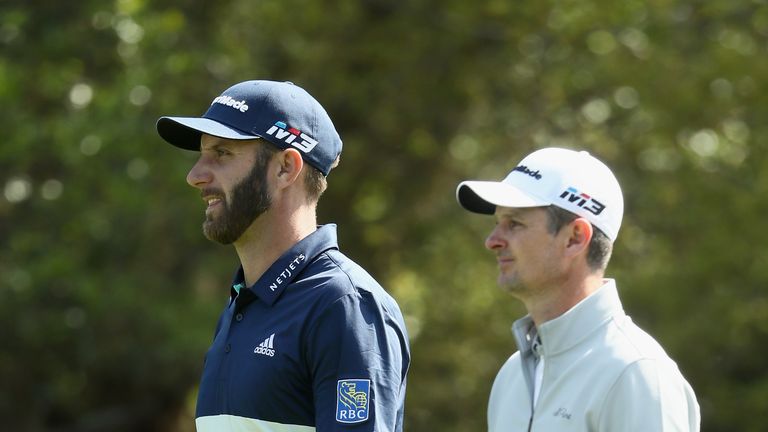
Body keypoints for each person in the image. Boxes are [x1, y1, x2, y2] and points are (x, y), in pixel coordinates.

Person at [156, 80, 410, 431]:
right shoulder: (240, 305)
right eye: (201, 155)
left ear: (285, 168)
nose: (195, 175)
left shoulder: (343, 304)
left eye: (222, 153)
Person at [456, 147, 700, 431]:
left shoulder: (636, 372)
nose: (492, 240)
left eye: (515, 223)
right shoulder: (511, 377)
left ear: (574, 238)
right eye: (498, 223)